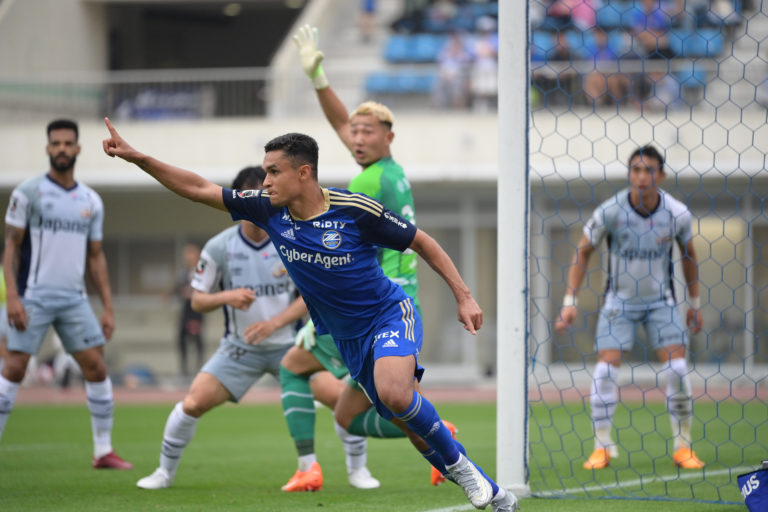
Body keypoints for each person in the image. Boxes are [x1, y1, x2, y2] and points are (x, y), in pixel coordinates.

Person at [102, 121, 519, 512]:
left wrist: (465, 297)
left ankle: (462, 470)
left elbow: (422, 241)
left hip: (389, 315)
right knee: (392, 415)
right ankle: (496, 494)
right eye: (265, 172)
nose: (265, 182)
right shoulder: (267, 210)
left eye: (273, 172)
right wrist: (139, 159)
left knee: (394, 394)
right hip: (346, 339)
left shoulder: (354, 209)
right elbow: (197, 188)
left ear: (304, 173)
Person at [286, 24, 454, 492]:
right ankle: (432, 441)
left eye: (366, 132)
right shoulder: (389, 170)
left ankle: (311, 465)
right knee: (369, 399)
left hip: (375, 300)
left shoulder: (365, 183)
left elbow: (337, 241)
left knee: (294, 367)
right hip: (396, 295)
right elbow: (345, 125)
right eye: (354, 132)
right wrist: (319, 79)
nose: (355, 138)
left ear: (388, 136)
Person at [136, 166, 308, 489]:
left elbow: (312, 297)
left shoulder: (291, 240)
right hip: (240, 349)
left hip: (289, 347)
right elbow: (198, 301)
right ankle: (164, 473)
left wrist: (273, 323)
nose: (258, 202)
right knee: (193, 403)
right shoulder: (219, 247)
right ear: (238, 201)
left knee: (338, 395)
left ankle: (357, 472)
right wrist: (226, 296)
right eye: (249, 196)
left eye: (264, 194)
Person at [555, 145, 705, 471]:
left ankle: (683, 446)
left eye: (648, 170)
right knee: (605, 371)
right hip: (618, 302)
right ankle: (602, 446)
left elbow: (689, 256)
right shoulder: (610, 211)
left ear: (660, 175)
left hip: (661, 302)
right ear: (629, 174)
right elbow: (583, 251)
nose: (641, 176)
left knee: (677, 370)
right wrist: (570, 301)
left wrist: (694, 303)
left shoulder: (677, 213)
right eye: (635, 169)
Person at [0, 119, 132, 469]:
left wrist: (107, 307)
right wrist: (12, 296)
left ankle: (103, 451)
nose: (61, 149)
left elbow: (96, 256)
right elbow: (11, 246)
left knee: (96, 366)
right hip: (33, 296)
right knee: (14, 367)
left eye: (67, 143)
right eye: (56, 143)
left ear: (77, 149)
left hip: (74, 299)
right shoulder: (27, 193)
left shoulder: (91, 201)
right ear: (48, 148)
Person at [174, 243, 205, 379]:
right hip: (185, 312)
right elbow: (178, 289)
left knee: (197, 340)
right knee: (181, 339)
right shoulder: (183, 273)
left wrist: (193, 294)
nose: (187, 257)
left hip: (196, 312)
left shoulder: (201, 271)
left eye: (190, 253)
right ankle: (184, 371)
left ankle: (199, 369)